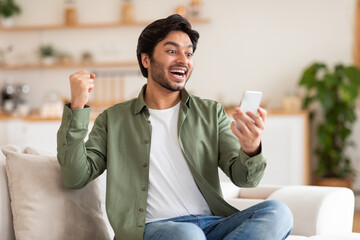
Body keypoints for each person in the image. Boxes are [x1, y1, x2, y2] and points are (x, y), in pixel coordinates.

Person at [57, 14, 293, 240]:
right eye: (172, 51)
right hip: (151, 231)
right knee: (188, 235)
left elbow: (245, 179)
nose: (183, 60)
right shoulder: (113, 119)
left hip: (211, 225)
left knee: (278, 212)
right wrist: (77, 107)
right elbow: (74, 176)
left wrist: (251, 148)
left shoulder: (211, 112)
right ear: (146, 59)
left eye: (188, 54)